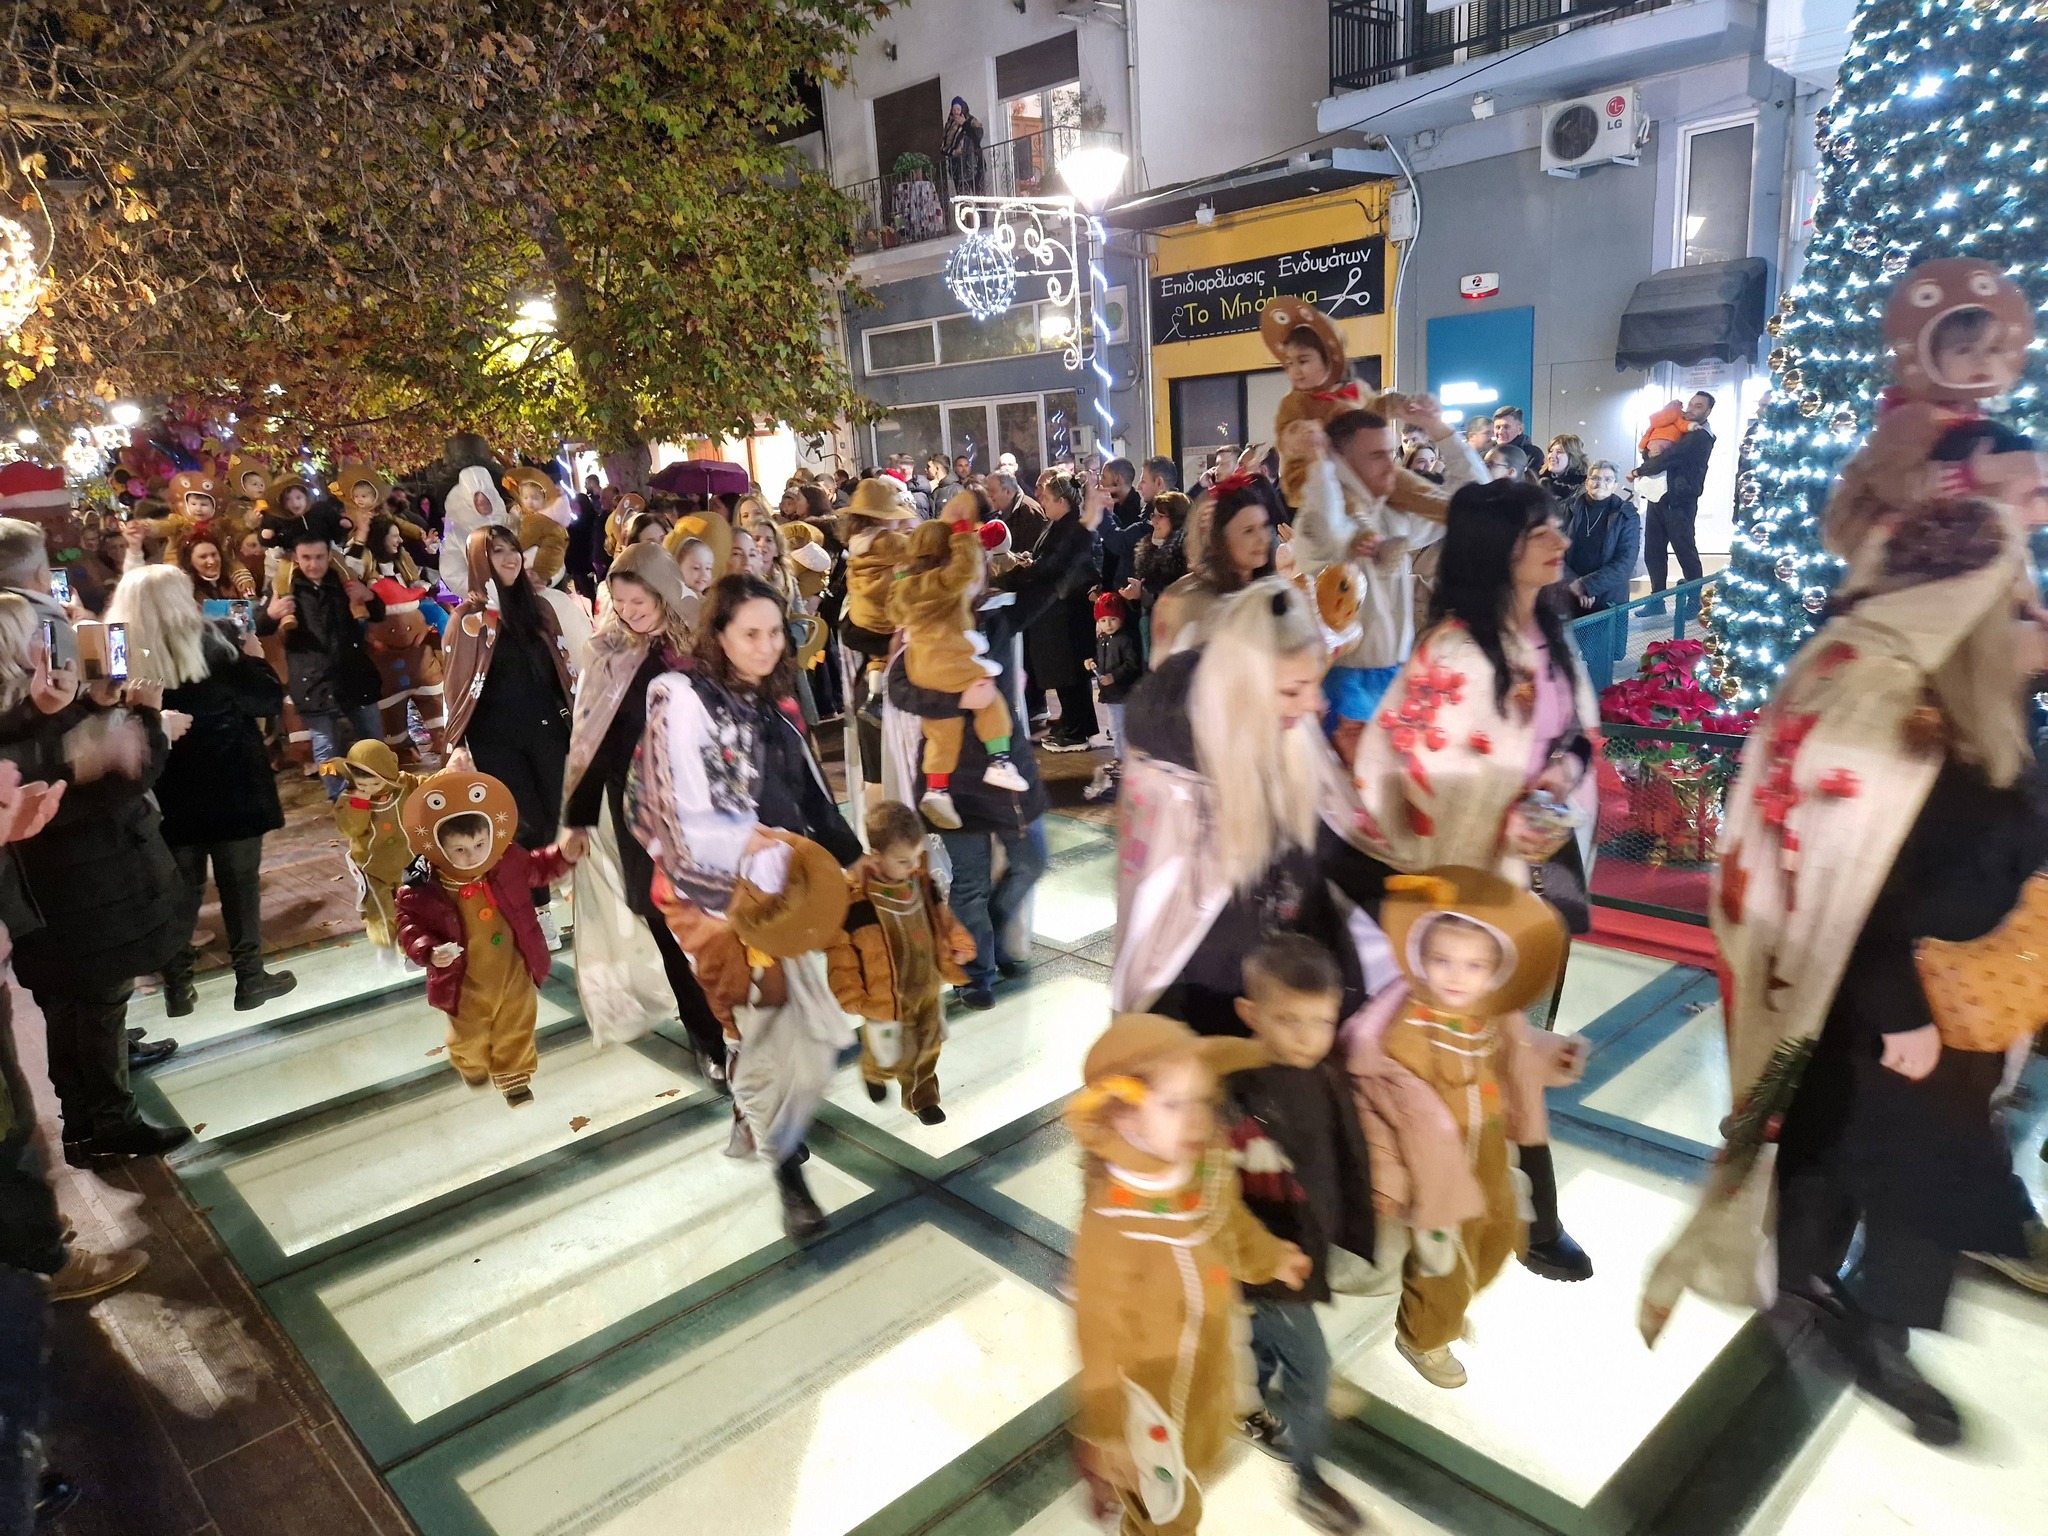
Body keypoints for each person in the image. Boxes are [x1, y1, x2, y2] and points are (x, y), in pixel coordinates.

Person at [1644, 258, 2048, 1443]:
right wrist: (1894, 1006)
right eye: (2017, 598)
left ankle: (1857, 1288)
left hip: (1962, 985)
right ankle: (1841, 1307)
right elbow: (1828, 868)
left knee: (1907, 1156)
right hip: (1889, 997)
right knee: (1858, 1149)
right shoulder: (1876, 693)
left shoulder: (1976, 689)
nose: (2031, 612)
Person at [1352, 478, 1598, 1283]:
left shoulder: (1549, 632)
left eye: (1555, 527)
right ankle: (1514, 1215)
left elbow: (1579, 731)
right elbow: (1404, 764)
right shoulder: (1455, 652)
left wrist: (1561, 774)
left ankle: (1510, 1207)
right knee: (1499, 1040)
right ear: (1498, 551)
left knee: (1516, 1035)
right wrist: (1497, 813)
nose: (1560, 542)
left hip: (1543, 869)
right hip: (1474, 888)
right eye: (1539, 533)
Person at [631, 574, 867, 1238]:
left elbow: (813, 798)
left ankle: (767, 1120)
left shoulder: (775, 708)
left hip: (781, 892)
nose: (765, 647)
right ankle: (790, 1178)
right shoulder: (682, 701)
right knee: (766, 1032)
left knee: (806, 1038)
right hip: (712, 900)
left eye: (774, 633)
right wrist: (742, 843)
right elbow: (672, 812)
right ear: (719, 636)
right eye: (749, 634)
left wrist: (855, 866)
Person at [1068, 1012, 1309, 1536]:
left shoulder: (1201, 1166)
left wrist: (1271, 1258)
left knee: (1197, 1451)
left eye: (1202, 1100)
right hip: (1148, 1390)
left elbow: (1229, 1225)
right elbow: (1098, 1334)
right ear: (1121, 1114)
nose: (1198, 1120)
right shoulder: (1113, 1222)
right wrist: (1107, 1428)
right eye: (1175, 1105)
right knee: (1166, 1502)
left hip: (1208, 1356)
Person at [1342, 871, 1583, 1389]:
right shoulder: (1407, 1025)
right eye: (1442, 960)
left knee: (1496, 1237)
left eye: (1474, 965)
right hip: (1434, 1170)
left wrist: (1553, 1055)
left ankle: (1453, 1305)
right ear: (1420, 960)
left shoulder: (1489, 1013)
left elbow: (1513, 1058)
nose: (1456, 976)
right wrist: (1391, 1178)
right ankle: (1424, 1335)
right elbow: (1384, 1105)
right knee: (1443, 1260)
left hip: (1487, 1152)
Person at [2, 602, 192, 1168]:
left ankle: (83, 1124)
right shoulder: (15, 717)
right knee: (98, 1004)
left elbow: (44, 744)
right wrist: (151, 725)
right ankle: (112, 1123)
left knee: (71, 1006)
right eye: (40, 636)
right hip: (86, 886)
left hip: (61, 889)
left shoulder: (20, 711)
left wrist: (93, 704)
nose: (53, 647)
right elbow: (94, 787)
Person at [1223, 935, 1373, 1534]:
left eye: (1322, 1021)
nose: (1309, 1036)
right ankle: (1310, 1482)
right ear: (1250, 1014)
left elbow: (1342, 1152)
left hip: (1304, 1250)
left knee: (1264, 1343)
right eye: (1289, 1020)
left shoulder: (1323, 1074)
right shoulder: (1236, 1091)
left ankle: (1248, 1401)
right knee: (1312, 1372)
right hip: (1268, 1265)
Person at [557, 544, 725, 1075]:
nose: (629, 611)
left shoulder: (700, 640)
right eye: (621, 600)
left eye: (639, 600)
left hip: (698, 804)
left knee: (711, 914)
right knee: (664, 919)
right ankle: (707, 1036)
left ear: (664, 592)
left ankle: (736, 1019)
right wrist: (577, 819)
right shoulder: (607, 651)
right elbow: (591, 742)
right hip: (635, 810)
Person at [107, 566, 297, 1014]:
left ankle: (178, 987)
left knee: (182, 890)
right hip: (231, 781)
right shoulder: (218, 640)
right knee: (240, 884)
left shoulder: (120, 652)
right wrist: (254, 657)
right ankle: (250, 979)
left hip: (168, 785)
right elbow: (265, 700)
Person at [886, 556, 1054, 1012]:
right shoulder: (923, 625)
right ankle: (976, 970)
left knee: (1032, 860)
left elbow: (1054, 579)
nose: (970, 576)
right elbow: (900, 690)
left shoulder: (1000, 615)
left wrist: (1082, 526)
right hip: (953, 781)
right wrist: (958, 698)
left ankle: (994, 930)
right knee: (970, 883)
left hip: (1008, 770)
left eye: (977, 565)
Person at [1296, 402, 1481, 758]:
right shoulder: (1317, 518)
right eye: (1376, 455)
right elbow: (1334, 528)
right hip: (1341, 689)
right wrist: (1320, 463)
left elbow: (1474, 499)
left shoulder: (1393, 515)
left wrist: (1437, 428)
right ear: (1342, 461)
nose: (1390, 464)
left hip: (1394, 677)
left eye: (1390, 452)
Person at [396, 769, 570, 1106]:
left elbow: (537, 868)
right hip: (465, 978)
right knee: (470, 1033)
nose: (473, 855)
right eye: (459, 849)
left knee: (517, 1024)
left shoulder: (507, 861)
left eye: (479, 844)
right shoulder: (424, 887)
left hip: (514, 966)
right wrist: (429, 951)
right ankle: (470, 1061)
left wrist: (564, 854)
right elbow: (409, 924)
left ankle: (515, 1076)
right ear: (438, 848)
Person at [442, 526, 576, 946]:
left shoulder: (539, 608)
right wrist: (458, 744)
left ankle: (563, 901)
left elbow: (562, 668)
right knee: (523, 827)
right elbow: (456, 687)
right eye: (496, 551)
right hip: (497, 741)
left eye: (513, 549)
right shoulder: (468, 620)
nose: (509, 558)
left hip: (548, 732)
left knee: (556, 819)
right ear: (479, 560)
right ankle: (539, 913)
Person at [827, 800, 975, 1125]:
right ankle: (874, 1070)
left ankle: (923, 1097)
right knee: (890, 1054)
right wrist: (850, 993)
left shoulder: (921, 883)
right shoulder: (856, 901)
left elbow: (943, 918)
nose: (912, 866)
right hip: (884, 998)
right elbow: (840, 953)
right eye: (902, 861)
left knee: (928, 1044)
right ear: (876, 856)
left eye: (916, 857)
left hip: (926, 984)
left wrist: (958, 943)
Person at [889, 512, 1028, 828]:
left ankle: (940, 788)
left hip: (927, 672)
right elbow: (900, 691)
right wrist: (959, 700)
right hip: (966, 775)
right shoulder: (941, 595)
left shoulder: (909, 591)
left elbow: (895, 612)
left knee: (942, 735)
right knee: (989, 704)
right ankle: (994, 764)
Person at [260, 525, 387, 797]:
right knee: (326, 750)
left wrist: (369, 597)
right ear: (296, 557)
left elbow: (377, 613)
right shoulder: (285, 587)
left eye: (319, 557)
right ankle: (337, 796)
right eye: (306, 557)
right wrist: (271, 615)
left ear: (329, 556)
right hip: (313, 679)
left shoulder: (343, 581)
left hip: (354, 673)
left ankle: (382, 790)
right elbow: (261, 625)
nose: (313, 564)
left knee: (373, 740)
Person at [1149, 473, 1280, 658]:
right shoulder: (1185, 600)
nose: (1262, 538)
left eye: (1264, 526)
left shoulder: (1274, 590)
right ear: (1219, 539)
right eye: (1249, 530)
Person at [1013, 471, 1099, 751]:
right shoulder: (1060, 524)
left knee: (1069, 671)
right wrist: (1033, 561)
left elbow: (1056, 565)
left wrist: (1030, 568)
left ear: (1062, 501)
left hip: (1066, 610)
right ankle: (1073, 722)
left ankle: (1077, 732)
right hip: (1059, 608)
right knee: (1064, 671)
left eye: (1047, 498)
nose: (1042, 502)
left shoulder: (1071, 528)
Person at [838, 477, 917, 724]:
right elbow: (918, 550)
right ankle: (881, 698)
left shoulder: (857, 542)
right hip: (883, 621)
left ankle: (874, 697)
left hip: (860, 618)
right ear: (881, 518)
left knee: (876, 658)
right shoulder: (889, 541)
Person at [1635, 391, 1715, 601]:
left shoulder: (1701, 436)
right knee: (1653, 550)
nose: (1691, 409)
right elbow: (1654, 448)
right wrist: (1648, 453)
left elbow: (1670, 457)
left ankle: (1694, 601)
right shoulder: (1679, 426)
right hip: (1658, 495)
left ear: (1708, 411)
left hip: (1680, 500)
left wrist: (1639, 470)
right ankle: (1656, 599)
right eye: (1691, 404)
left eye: (1698, 406)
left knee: (1684, 550)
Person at [1083, 592, 1142, 803]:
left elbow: (1131, 664)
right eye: (1103, 620)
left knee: (1120, 727)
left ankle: (1125, 759)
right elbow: (1102, 659)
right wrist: (1092, 663)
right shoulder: (1103, 639)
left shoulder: (1125, 639)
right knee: (1115, 727)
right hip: (1111, 693)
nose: (1108, 624)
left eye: (1113, 619)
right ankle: (1121, 757)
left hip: (1122, 692)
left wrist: (1113, 677)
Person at [1559, 461, 1641, 613]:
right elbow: (1554, 552)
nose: (1600, 483)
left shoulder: (1627, 515)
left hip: (1609, 599)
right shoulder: (1566, 508)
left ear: (1615, 485)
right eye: (1595, 478)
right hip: (1568, 595)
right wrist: (1573, 584)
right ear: (1587, 482)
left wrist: (1586, 586)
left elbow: (1625, 562)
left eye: (1608, 479)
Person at [439, 463, 516, 596]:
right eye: (475, 495)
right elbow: (453, 573)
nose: (481, 500)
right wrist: (484, 590)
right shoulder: (458, 531)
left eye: (485, 493)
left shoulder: (508, 521)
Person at [984, 471, 1047, 553]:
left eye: (992, 490)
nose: (988, 495)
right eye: (987, 490)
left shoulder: (1029, 512)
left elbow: (1033, 552)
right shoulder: (998, 514)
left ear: (1008, 491)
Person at [941, 95, 986, 195]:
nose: (956, 112)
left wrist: (965, 124)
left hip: (973, 164)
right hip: (957, 167)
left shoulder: (971, 121)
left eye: (958, 109)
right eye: (954, 109)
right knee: (963, 198)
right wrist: (953, 152)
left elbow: (977, 137)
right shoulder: (949, 125)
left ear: (962, 109)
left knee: (979, 196)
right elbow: (944, 146)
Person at [1489, 406, 1545, 477]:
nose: (1500, 432)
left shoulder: (1533, 454)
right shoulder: (1487, 453)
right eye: (1497, 427)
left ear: (1520, 429)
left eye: (1506, 427)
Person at [1539, 434, 1588, 500]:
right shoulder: (1541, 481)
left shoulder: (1583, 487)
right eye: (1550, 451)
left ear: (1572, 457)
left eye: (1559, 452)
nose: (1552, 456)